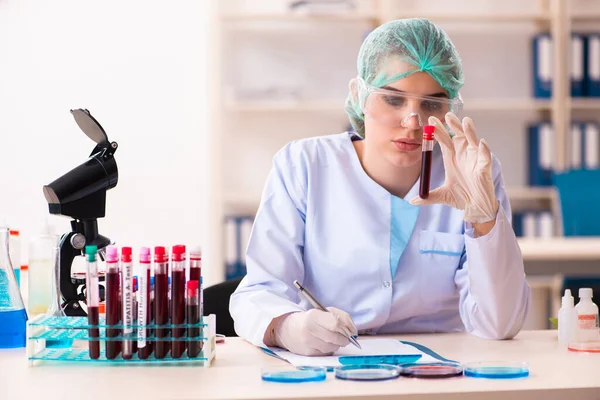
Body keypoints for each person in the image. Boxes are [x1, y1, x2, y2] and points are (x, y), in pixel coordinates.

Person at [229, 18, 531, 356]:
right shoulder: (305, 165)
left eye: (431, 103)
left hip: (442, 373)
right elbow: (258, 292)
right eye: (393, 99)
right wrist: (288, 326)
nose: (413, 123)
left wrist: (484, 219)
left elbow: (501, 323)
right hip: (333, 368)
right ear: (360, 96)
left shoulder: (472, 174)